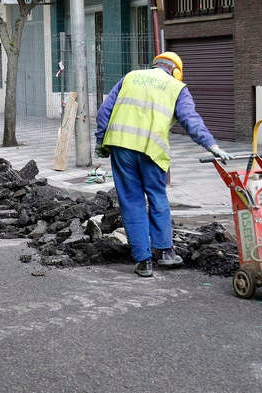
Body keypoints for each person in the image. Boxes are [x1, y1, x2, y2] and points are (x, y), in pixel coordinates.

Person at [95, 51, 233, 278]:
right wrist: (212, 146)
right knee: (157, 197)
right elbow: (191, 119)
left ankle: (144, 262)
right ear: (176, 71)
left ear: (154, 65)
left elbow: (104, 112)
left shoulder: (130, 77)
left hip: (121, 146)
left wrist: (101, 141)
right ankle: (166, 252)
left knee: (132, 202)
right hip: (152, 151)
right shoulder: (177, 88)